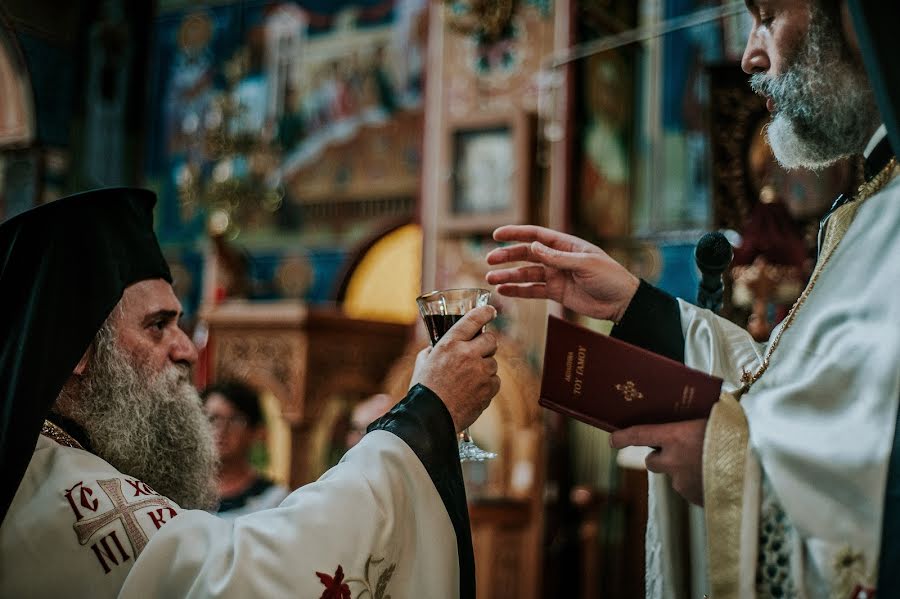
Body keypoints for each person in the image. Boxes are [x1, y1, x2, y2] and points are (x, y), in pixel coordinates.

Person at [486, 1, 898, 597]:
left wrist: (726, 460)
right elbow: (776, 388)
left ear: (860, 18)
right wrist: (637, 307)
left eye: (768, 14)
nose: (751, 54)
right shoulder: (868, 205)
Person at [0, 188, 500, 597]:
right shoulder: (50, 487)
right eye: (157, 326)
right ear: (77, 352)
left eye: (180, 322)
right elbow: (236, 581)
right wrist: (422, 418)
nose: (187, 349)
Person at [200, 381, 289, 517]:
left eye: (235, 420)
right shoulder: (178, 494)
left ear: (256, 432)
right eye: (212, 418)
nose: (221, 429)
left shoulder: (274, 501)